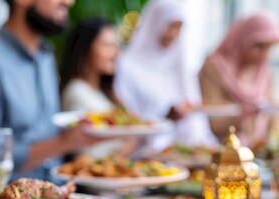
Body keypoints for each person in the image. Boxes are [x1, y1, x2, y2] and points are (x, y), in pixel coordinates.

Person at [0, 0, 100, 186]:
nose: (69, 2)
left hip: (58, 191)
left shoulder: (45, 56)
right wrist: (62, 142)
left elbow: (44, 131)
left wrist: (78, 132)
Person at [114, 0, 217, 150]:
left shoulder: (179, 64)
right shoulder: (127, 65)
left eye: (178, 28)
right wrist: (164, 118)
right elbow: (125, 120)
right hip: (143, 156)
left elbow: (196, 117)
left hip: (186, 154)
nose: (173, 34)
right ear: (154, 22)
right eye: (169, 26)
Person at [199, 12, 279, 150]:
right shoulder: (214, 69)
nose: (264, 53)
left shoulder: (263, 70)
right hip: (220, 150)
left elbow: (271, 117)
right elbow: (213, 121)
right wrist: (243, 115)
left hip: (260, 151)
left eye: (268, 47)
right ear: (243, 39)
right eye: (259, 45)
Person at [60, 17, 119, 112]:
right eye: (107, 45)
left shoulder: (100, 91)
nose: (115, 53)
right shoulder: (76, 92)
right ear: (85, 49)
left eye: (115, 46)